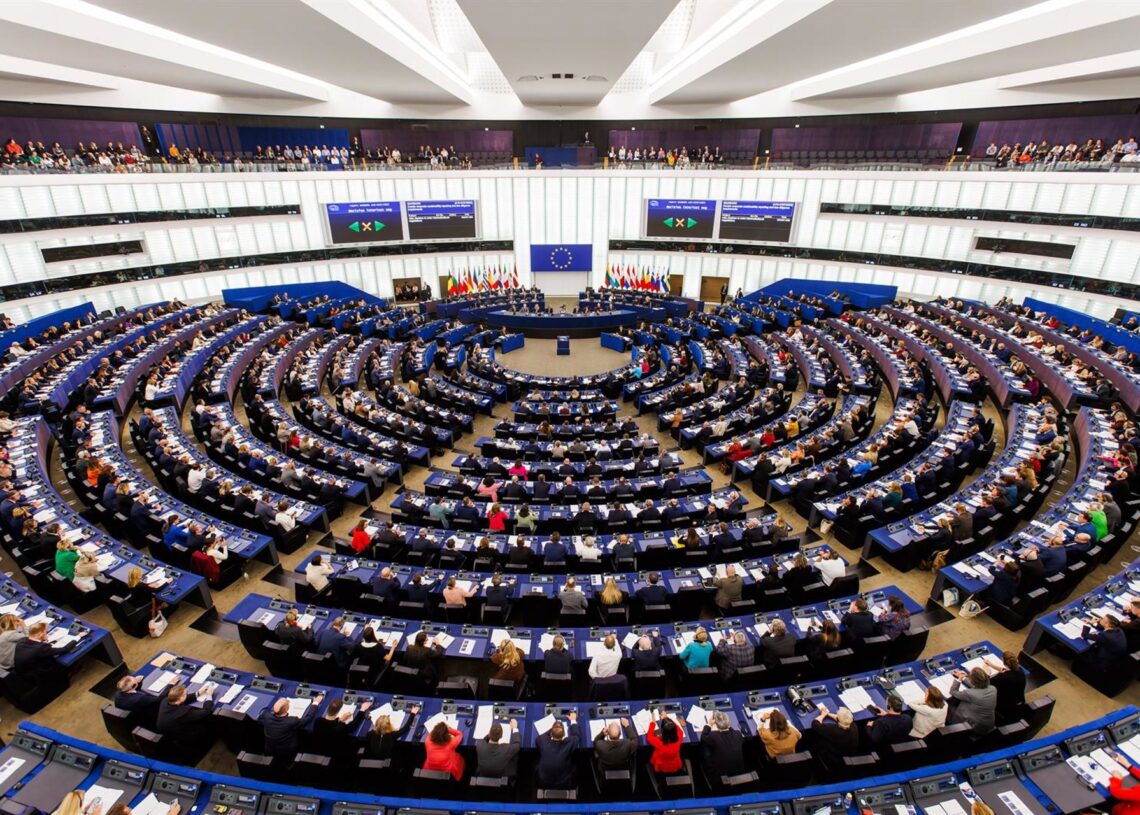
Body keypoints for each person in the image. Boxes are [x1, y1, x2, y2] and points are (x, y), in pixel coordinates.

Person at [259, 693, 324, 762]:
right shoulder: (291, 721)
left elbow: (262, 715)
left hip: (270, 749)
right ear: (286, 708)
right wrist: (315, 702)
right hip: (287, 752)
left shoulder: (266, 716)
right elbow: (308, 717)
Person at [13, 621, 76, 690]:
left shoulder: (22, 640)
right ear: (40, 634)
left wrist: (44, 640)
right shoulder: (40, 648)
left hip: (24, 673)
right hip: (40, 674)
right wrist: (76, 638)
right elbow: (64, 650)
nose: (47, 634)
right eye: (45, 632)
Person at [156, 682, 216, 746]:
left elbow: (182, 699)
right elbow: (206, 711)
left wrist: (198, 693)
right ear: (181, 698)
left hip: (169, 732)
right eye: (185, 694)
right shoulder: (183, 713)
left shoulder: (165, 700)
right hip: (186, 736)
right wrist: (209, 695)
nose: (186, 695)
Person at [536, 713, 579, 789]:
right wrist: (573, 720)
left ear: (551, 734)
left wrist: (552, 729)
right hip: (565, 782)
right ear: (564, 735)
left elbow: (540, 738)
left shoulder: (542, 741)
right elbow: (576, 736)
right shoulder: (570, 743)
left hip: (544, 781)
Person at [948, 667, 997, 734]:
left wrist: (959, 679)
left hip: (973, 726)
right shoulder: (993, 689)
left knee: (948, 706)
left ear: (973, 680)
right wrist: (963, 677)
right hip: (988, 723)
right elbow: (978, 686)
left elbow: (953, 692)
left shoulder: (969, 693)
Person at [700, 710, 746, 778]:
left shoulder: (714, 736)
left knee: (705, 746)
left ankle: (706, 768)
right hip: (738, 771)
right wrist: (726, 724)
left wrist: (709, 724)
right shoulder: (738, 734)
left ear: (716, 724)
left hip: (721, 775)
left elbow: (703, 736)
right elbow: (732, 731)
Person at [985, 651, 1027, 723]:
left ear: (1003, 661)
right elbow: (1005, 670)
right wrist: (992, 665)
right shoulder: (1020, 671)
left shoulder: (1002, 677)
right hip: (1019, 701)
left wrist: (987, 674)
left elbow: (986, 683)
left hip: (1004, 706)